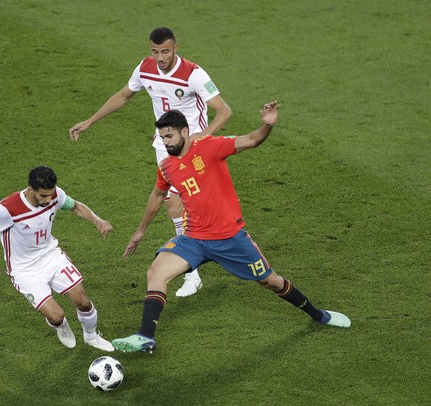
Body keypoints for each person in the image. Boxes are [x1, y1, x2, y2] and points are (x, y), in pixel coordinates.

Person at [111, 102, 351, 353]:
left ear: (184, 131)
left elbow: (250, 140)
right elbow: (158, 195)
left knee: (271, 281)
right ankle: (145, 336)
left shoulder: (210, 146)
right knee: (155, 274)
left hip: (230, 239)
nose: (165, 143)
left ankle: (318, 315)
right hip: (194, 239)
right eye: (161, 138)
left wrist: (267, 126)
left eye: (169, 136)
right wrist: (140, 232)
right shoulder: (167, 167)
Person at [69, 27, 233, 298]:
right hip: (163, 146)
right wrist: (89, 121)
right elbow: (123, 96)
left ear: (176, 47)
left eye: (165, 51)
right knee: (174, 206)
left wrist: (202, 138)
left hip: (190, 150)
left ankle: (195, 268)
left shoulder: (193, 73)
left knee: (183, 204)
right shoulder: (145, 68)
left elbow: (224, 110)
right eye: (155, 51)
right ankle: (198, 265)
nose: (160, 57)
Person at [0, 165, 114, 352]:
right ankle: (60, 325)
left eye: (50, 194)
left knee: (82, 300)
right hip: (24, 270)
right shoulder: (8, 208)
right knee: (57, 315)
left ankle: (91, 336)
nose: (49, 199)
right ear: (30, 190)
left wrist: (97, 220)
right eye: (43, 196)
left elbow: (75, 206)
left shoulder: (54, 195)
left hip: (51, 256)